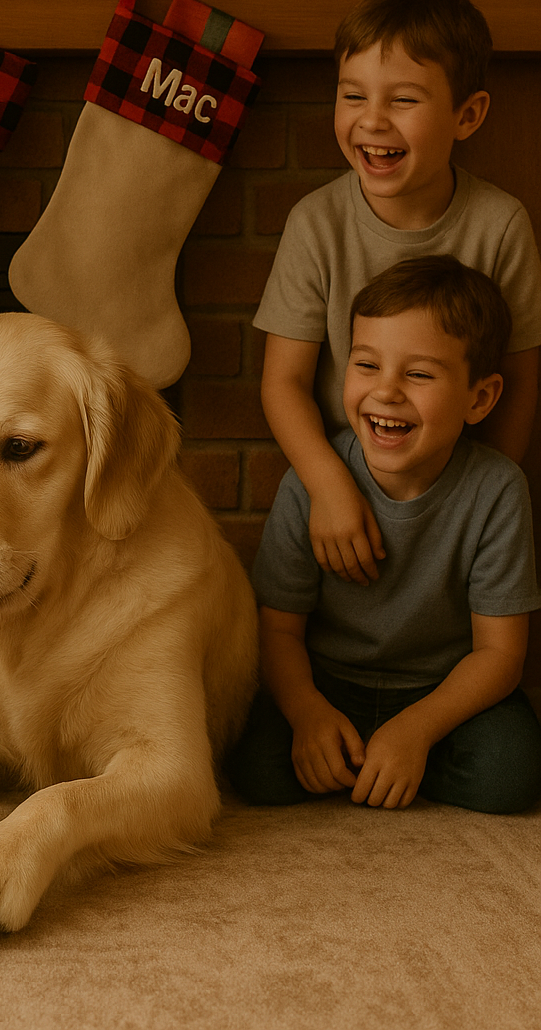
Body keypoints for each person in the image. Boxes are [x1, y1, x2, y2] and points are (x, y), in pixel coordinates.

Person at [228, 256, 541, 813]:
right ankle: (362, 755)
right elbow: (276, 631)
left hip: (440, 691)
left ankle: (387, 758)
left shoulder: (496, 490)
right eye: (367, 365)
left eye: (418, 374)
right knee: (255, 769)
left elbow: (499, 655)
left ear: (480, 398)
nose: (387, 392)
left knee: (512, 772)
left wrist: (417, 730)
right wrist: (306, 712)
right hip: (329, 681)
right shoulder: (312, 483)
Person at [254, 0, 541, 585]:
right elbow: (283, 381)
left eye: (404, 101)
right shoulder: (317, 224)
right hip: (345, 481)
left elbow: (516, 383)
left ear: (468, 115)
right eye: (353, 95)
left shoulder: (500, 225)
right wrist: (328, 488)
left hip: (452, 478)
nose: (372, 121)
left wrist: (478, 500)